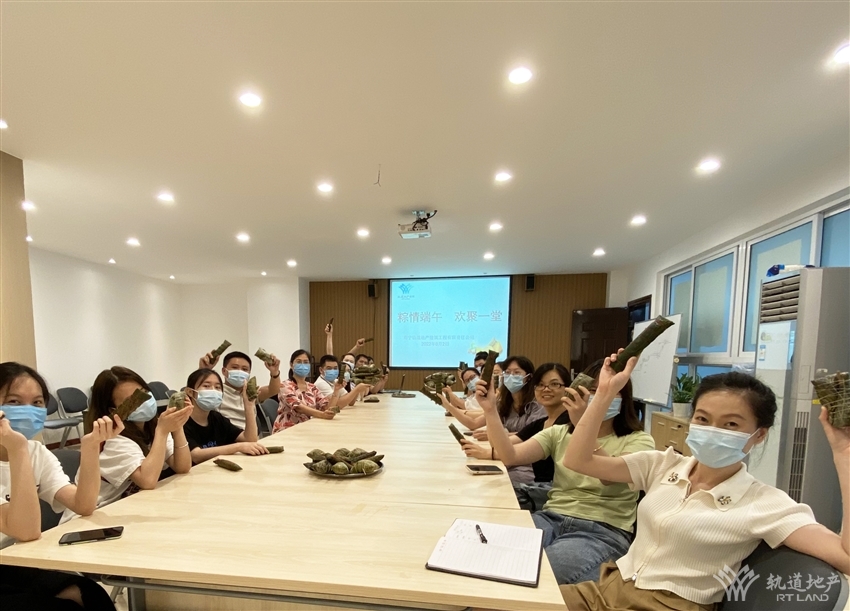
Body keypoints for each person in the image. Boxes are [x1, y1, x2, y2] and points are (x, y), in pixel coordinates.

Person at [561, 355, 850, 610]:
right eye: (702, 418)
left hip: (669, 606)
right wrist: (604, 394)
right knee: (532, 597)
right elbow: (578, 460)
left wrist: (844, 454)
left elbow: (846, 556)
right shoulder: (663, 465)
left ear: (759, 435)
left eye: (731, 424)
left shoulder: (763, 502)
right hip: (607, 588)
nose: (713, 430)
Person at [475, 358, 654, 584]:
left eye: (606, 391)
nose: (597, 396)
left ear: (624, 398)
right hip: (551, 517)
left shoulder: (640, 441)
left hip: (602, 530)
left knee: (541, 574)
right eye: (592, 390)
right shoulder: (559, 433)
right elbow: (510, 455)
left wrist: (583, 427)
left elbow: (608, 477)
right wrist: (490, 410)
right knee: (490, 554)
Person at [0, 362, 118, 610]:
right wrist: (17, 449)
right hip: (9, 563)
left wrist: (90, 447)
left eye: (37, 403)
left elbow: (83, 504)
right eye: (14, 402)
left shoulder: (35, 451)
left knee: (91, 594)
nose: (28, 410)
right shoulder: (24, 450)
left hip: (17, 560)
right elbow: (26, 531)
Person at [62, 366, 193, 523]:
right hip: (92, 516)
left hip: (127, 509)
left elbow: (182, 466)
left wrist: (177, 425)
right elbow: (147, 480)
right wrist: (163, 431)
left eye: (144, 392)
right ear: (114, 410)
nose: (143, 400)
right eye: (132, 400)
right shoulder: (113, 440)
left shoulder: (154, 427)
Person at [461, 363, 573, 487]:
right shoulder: (539, 424)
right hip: (541, 489)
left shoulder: (569, 424)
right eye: (540, 385)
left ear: (568, 388)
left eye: (554, 384)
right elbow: (506, 450)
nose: (546, 389)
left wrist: (487, 453)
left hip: (551, 491)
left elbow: (511, 456)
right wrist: (490, 409)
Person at [182, 368, 267, 464]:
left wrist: (249, 405)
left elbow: (250, 440)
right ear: (190, 392)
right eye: (206, 386)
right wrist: (238, 447)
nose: (213, 391)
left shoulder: (216, 418)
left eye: (218, 387)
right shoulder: (182, 421)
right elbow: (196, 456)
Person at [199, 349, 281, 429]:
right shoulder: (216, 392)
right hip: (227, 435)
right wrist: (203, 370)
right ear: (224, 371)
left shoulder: (250, 393)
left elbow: (273, 390)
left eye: (245, 369)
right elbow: (197, 396)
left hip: (250, 434)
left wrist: (275, 372)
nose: (239, 371)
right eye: (235, 367)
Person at [273, 350, 343, 431]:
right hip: (287, 429)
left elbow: (327, 408)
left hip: (308, 427)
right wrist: (322, 414)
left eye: (306, 362)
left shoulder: (312, 387)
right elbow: (298, 407)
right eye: (299, 362)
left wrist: (336, 390)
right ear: (291, 365)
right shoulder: (285, 385)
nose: (303, 365)